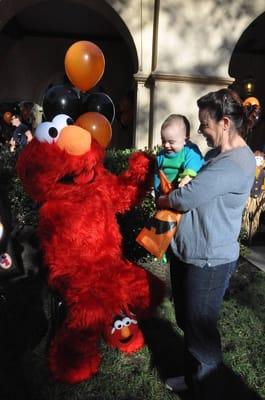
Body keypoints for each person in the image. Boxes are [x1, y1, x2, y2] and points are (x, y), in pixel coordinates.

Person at [158, 89, 256, 398]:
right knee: (188, 322)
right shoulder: (215, 156)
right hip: (189, 254)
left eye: (204, 123)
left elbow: (188, 198)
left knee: (201, 332)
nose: (200, 130)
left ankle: (208, 388)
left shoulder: (235, 162)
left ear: (224, 122)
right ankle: (192, 379)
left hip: (209, 262)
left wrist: (164, 198)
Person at [154, 114, 204, 198]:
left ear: (185, 140)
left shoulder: (189, 150)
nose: (166, 145)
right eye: (163, 140)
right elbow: (157, 175)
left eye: (171, 142)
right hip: (166, 193)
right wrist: (157, 193)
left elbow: (194, 162)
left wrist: (187, 177)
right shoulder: (161, 156)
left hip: (183, 192)